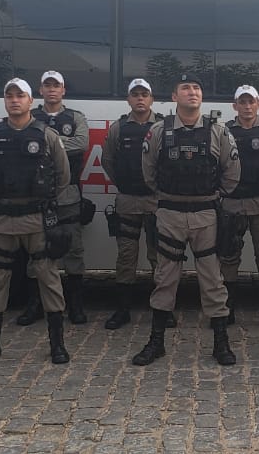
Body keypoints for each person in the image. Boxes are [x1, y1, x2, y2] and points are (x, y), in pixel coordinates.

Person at [132, 74, 241, 367]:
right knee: (164, 278)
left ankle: (221, 343)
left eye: (196, 88)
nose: (192, 92)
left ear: (202, 96)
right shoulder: (158, 131)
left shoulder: (218, 131)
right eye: (185, 88)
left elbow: (232, 174)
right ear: (174, 96)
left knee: (213, 280)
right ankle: (156, 342)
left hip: (206, 214)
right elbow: (149, 172)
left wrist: (211, 196)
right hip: (170, 213)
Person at [0, 78, 71, 365]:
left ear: (30, 101)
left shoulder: (47, 135)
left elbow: (62, 177)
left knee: (48, 277)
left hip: (37, 219)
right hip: (3, 219)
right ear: (5, 101)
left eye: (20, 95)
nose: (14, 100)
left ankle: (57, 344)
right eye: (9, 96)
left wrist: (41, 202)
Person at [23, 70, 90, 326]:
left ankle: (76, 305)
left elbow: (81, 143)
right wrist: (62, 142)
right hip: (36, 195)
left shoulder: (75, 117)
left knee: (74, 249)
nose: (52, 89)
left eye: (56, 85)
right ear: (40, 90)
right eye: (47, 85)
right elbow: (22, 142)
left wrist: (46, 141)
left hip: (68, 194)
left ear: (63, 90)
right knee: (36, 251)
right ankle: (35, 304)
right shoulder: (30, 115)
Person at [100, 78, 163, 330]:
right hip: (127, 200)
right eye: (135, 94)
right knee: (126, 256)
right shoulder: (118, 128)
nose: (140, 98)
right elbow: (107, 160)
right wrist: (124, 183)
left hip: (156, 201)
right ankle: (123, 309)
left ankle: (162, 309)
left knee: (159, 256)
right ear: (128, 99)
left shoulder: (162, 126)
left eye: (144, 94)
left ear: (151, 99)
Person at [218, 85, 259, 329]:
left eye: (251, 101)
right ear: (234, 106)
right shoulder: (224, 131)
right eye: (242, 102)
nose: (247, 106)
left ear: (258, 104)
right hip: (232, 202)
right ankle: (227, 309)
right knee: (229, 256)